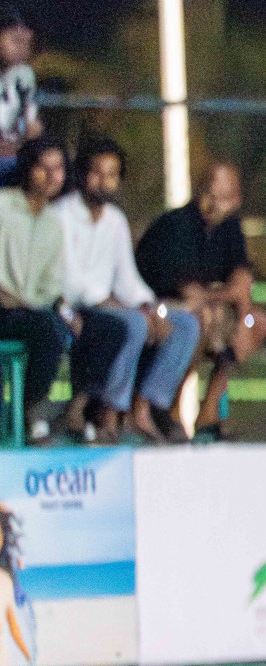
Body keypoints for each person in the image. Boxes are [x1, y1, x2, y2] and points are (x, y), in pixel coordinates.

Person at [54, 137, 200, 443]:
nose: (104, 181)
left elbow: (128, 280)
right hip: (74, 309)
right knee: (133, 324)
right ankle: (109, 412)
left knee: (185, 325)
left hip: (112, 306)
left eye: (111, 175)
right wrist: (128, 310)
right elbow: (69, 282)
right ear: (82, 174)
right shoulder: (61, 214)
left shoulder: (115, 221)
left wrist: (152, 309)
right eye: (97, 172)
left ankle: (143, 408)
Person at [0, 137, 128, 443]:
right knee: (47, 329)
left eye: (58, 169)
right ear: (27, 169)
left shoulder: (51, 220)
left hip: (33, 309)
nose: (51, 176)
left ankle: (75, 412)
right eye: (42, 168)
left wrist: (66, 312)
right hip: (6, 308)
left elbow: (53, 283)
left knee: (108, 328)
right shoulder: (3, 206)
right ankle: (30, 412)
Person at [136, 162, 266, 439]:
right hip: (160, 308)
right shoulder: (177, 225)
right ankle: (170, 409)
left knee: (255, 322)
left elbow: (241, 284)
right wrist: (223, 295)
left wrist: (243, 317)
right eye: (210, 194)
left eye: (223, 197)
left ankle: (209, 412)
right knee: (202, 319)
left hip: (206, 308)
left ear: (236, 200)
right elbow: (189, 292)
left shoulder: (230, 228)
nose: (214, 204)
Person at [0, 9, 42, 184]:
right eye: (15, 41)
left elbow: (30, 121)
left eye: (26, 43)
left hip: (13, 156)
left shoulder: (24, 74)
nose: (22, 48)